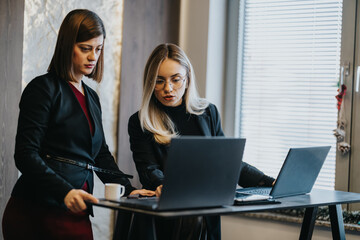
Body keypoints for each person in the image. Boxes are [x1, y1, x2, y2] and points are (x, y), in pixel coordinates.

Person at [2, 9, 154, 240]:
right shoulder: (42, 89)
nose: (93, 56)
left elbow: (100, 154)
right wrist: (65, 191)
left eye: (98, 49)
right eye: (85, 48)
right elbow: (25, 154)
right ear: (67, 45)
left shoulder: (92, 97)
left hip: (77, 208)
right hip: (36, 209)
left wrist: (129, 190)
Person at [127, 43, 275, 240]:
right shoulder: (140, 121)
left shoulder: (207, 112)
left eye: (176, 79)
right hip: (165, 215)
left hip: (206, 215)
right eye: (159, 81)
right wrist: (167, 186)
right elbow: (148, 169)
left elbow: (227, 163)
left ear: (187, 79)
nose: (168, 88)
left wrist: (267, 180)